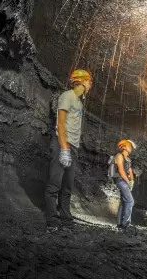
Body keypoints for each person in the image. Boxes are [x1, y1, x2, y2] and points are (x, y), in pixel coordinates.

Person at [44, 69, 92, 233]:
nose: (91, 84)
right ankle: (52, 221)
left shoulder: (79, 102)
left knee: (67, 187)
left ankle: (66, 219)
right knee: (54, 183)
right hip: (62, 144)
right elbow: (61, 123)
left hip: (73, 148)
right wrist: (64, 148)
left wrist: (72, 150)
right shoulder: (67, 96)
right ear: (82, 81)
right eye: (89, 81)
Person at [113, 139, 137, 230]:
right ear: (123, 146)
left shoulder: (128, 159)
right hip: (120, 180)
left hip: (125, 181)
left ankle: (119, 224)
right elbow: (121, 171)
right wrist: (128, 181)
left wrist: (132, 181)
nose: (130, 147)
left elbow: (130, 171)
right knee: (130, 201)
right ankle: (125, 224)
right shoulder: (119, 156)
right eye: (129, 145)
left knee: (123, 202)